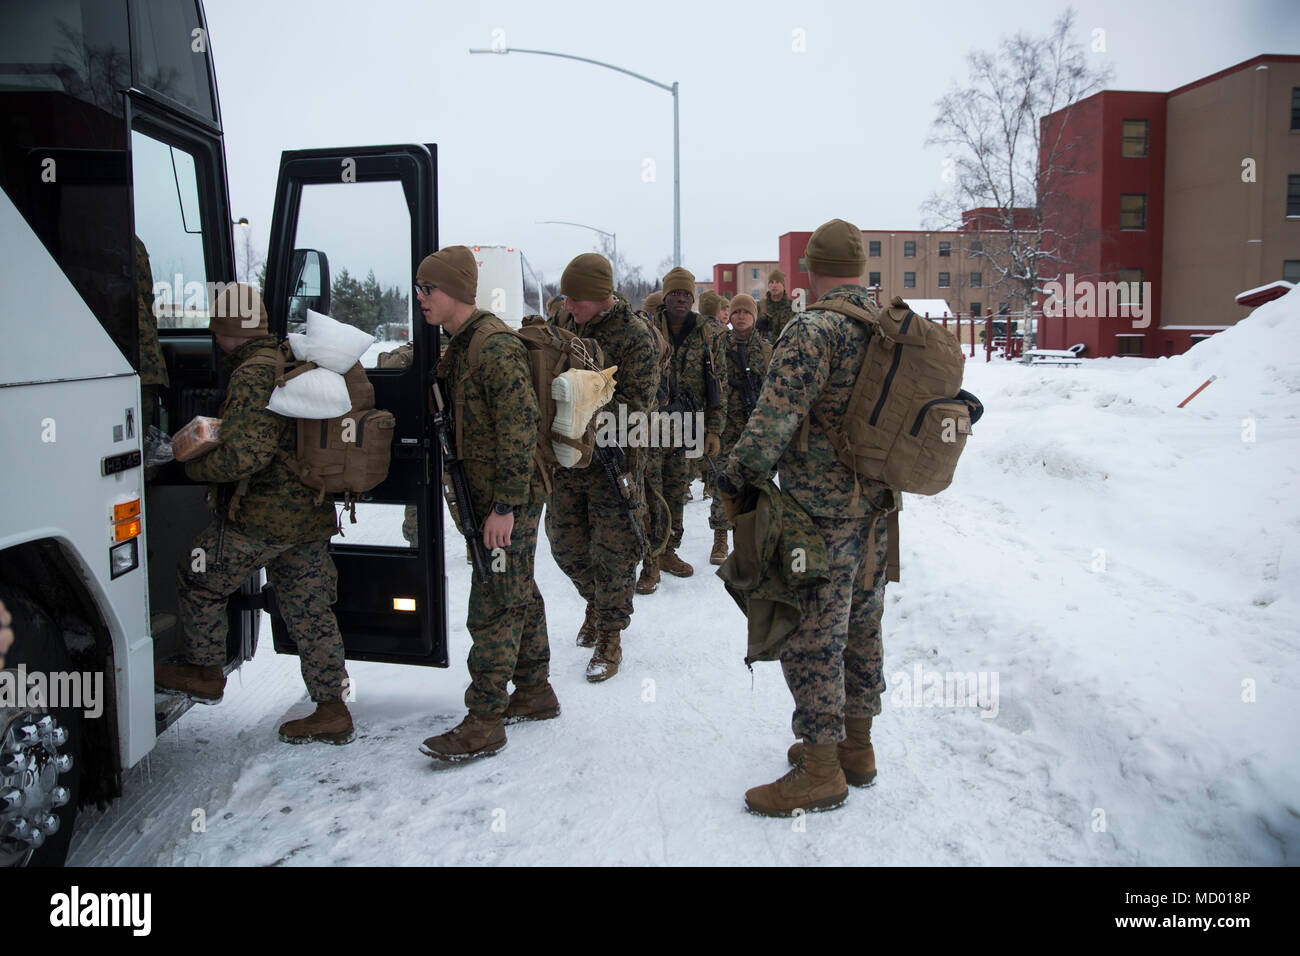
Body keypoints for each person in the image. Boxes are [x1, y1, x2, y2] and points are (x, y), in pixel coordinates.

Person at [717, 219, 892, 817]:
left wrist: (734, 477)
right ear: (861, 268)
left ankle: (821, 771)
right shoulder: (890, 326)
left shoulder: (815, 329)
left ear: (810, 270)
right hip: (879, 513)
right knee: (862, 626)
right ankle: (856, 747)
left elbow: (772, 420)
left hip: (820, 517)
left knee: (813, 635)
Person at [155, 284, 354, 744]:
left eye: (217, 328)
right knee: (310, 611)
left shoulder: (251, 374)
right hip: (307, 512)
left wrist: (191, 465)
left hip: (264, 518)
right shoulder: (285, 360)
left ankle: (204, 670)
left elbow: (247, 454)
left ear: (228, 333)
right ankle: (331, 709)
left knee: (198, 574)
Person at [416, 247, 553, 762]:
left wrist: (504, 507)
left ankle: (484, 721)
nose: (422, 299)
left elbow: (520, 429)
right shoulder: (459, 344)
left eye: (428, 289)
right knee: (516, 586)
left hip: (507, 499)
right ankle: (536, 690)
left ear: (453, 291)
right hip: (494, 497)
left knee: (494, 602)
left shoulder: (492, 346)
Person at [548, 254, 659, 681]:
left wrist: (581, 408)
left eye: (577, 298)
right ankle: (594, 602)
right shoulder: (563, 323)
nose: (569, 304)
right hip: (567, 459)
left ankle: (609, 637)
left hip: (613, 460)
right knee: (564, 544)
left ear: (601, 296)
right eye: (567, 297)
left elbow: (636, 408)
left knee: (613, 552)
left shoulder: (635, 337)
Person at [635, 267, 725, 592]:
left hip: (687, 423)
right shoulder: (645, 327)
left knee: (675, 492)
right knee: (650, 493)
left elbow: (719, 384)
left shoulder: (707, 332)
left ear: (693, 297)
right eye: (675, 293)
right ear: (666, 296)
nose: (681, 299)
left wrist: (713, 430)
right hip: (650, 426)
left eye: (687, 294)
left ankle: (669, 551)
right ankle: (651, 561)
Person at [708, 294, 771, 565]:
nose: (741, 316)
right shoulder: (718, 344)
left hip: (755, 427)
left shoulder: (766, 350)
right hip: (725, 426)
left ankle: (747, 539)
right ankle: (720, 536)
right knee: (723, 480)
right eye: (736, 312)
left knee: (754, 484)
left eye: (747, 312)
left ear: (755, 316)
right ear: (730, 316)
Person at [757, 268, 795, 345]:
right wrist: (757, 325)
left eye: (777, 282)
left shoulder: (793, 306)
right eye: (771, 282)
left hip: (787, 348)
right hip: (765, 350)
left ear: (783, 285)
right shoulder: (760, 305)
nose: (774, 285)